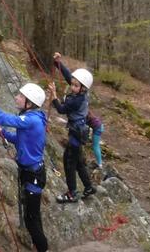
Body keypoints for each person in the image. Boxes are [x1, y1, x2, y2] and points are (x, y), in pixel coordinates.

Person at [0, 81, 50, 252]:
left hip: (33, 175)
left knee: (31, 220)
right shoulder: (32, 117)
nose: (16, 97)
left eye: (21, 96)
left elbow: (2, 118)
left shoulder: (31, 119)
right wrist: (3, 133)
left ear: (30, 103)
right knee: (32, 215)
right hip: (30, 173)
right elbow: (21, 140)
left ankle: (43, 248)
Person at [47, 52, 96, 203]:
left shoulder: (77, 100)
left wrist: (54, 96)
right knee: (79, 162)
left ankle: (72, 193)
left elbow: (61, 109)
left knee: (69, 162)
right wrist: (58, 63)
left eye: (75, 86)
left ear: (83, 88)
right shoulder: (81, 91)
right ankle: (88, 187)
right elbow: (69, 77)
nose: (72, 87)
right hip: (78, 133)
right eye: (72, 84)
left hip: (76, 134)